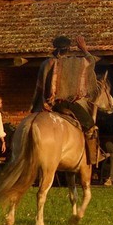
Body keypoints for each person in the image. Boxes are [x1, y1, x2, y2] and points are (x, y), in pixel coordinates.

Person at [31, 33, 101, 165]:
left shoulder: (46, 63)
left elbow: (39, 87)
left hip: (47, 104)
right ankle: (92, 158)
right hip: (65, 104)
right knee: (90, 124)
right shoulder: (73, 64)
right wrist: (84, 49)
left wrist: (36, 106)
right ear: (68, 49)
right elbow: (90, 62)